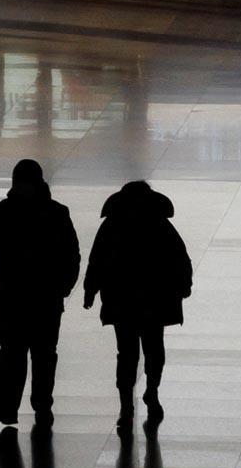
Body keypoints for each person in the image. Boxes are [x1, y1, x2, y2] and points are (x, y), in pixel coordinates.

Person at [0, 159, 80, 429]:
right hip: (46, 299)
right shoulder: (57, 213)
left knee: (14, 354)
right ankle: (40, 406)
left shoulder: (4, 212)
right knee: (42, 354)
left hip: (14, 297)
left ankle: (10, 408)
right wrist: (64, 287)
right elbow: (72, 255)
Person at [82, 181, 192, 429]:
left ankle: (126, 406)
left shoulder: (111, 225)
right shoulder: (161, 224)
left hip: (121, 300)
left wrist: (90, 290)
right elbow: (180, 258)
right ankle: (151, 392)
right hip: (156, 299)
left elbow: (96, 260)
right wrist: (184, 285)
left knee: (127, 353)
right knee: (154, 349)